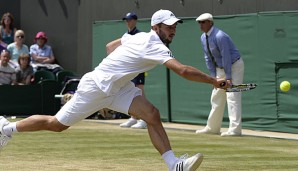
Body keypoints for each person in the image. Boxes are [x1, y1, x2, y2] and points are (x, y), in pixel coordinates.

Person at [0, 9, 228, 171]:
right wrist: (213, 80)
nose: (173, 30)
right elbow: (183, 71)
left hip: (119, 88)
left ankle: (174, 164)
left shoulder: (137, 36)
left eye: (174, 26)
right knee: (57, 125)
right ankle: (7, 128)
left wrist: (120, 66)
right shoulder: (152, 43)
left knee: (152, 114)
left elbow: (110, 47)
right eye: (168, 27)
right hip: (96, 87)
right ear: (155, 27)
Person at [194, 13, 244, 137]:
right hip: (219, 68)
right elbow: (208, 57)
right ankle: (212, 128)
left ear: (210, 22)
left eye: (203, 22)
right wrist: (213, 78)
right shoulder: (202, 38)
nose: (201, 24)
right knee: (216, 96)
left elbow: (226, 56)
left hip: (234, 66)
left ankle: (235, 130)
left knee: (232, 96)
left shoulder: (220, 36)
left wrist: (228, 77)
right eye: (199, 22)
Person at [118, 12, 147, 129]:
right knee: (131, 93)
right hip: (129, 68)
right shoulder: (125, 35)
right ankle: (134, 118)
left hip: (138, 68)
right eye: (126, 20)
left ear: (135, 21)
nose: (127, 22)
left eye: (129, 20)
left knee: (139, 93)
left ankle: (145, 119)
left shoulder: (140, 35)